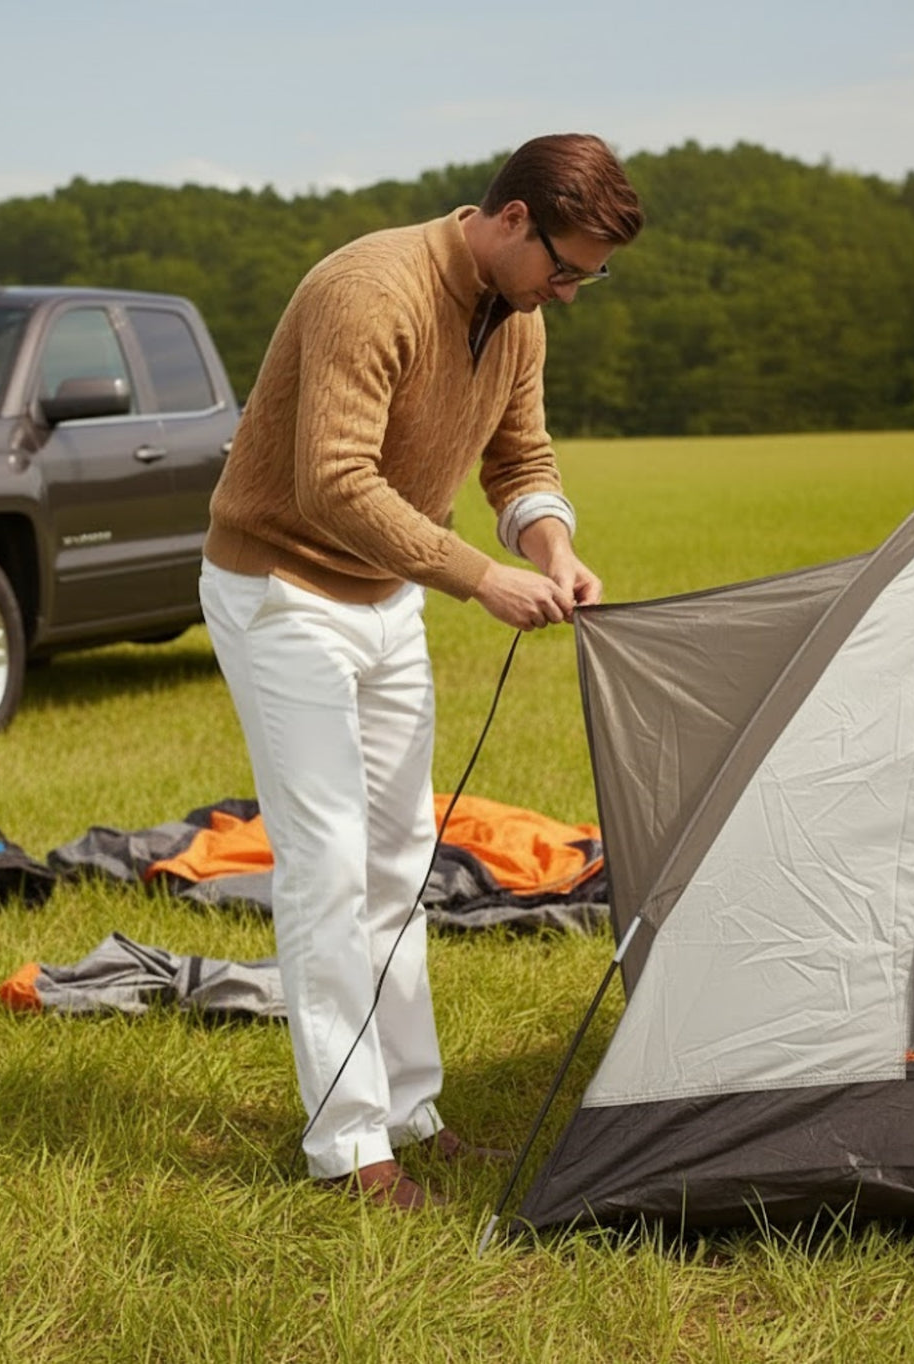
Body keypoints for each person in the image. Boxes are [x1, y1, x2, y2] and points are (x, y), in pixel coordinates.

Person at [199, 133, 644, 1209]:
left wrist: (551, 548)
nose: (572, 293)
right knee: (329, 864)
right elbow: (331, 484)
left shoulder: (520, 317)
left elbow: (519, 461)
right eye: (566, 266)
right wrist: (475, 576)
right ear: (510, 219)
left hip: (385, 598)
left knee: (402, 855)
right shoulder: (369, 287)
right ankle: (350, 1149)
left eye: (588, 275)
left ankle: (411, 1110)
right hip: (284, 591)